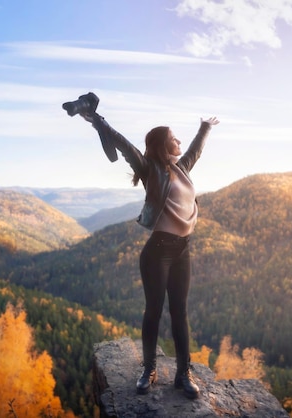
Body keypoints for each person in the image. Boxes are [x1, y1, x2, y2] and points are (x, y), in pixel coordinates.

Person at [80, 102, 219, 399]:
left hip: (183, 250)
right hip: (157, 253)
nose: (179, 141)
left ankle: (184, 374)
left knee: (180, 312)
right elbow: (125, 146)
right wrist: (97, 121)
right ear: (161, 144)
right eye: (173, 137)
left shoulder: (181, 169)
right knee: (154, 312)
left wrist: (205, 127)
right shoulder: (150, 169)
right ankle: (149, 370)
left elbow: (195, 149)